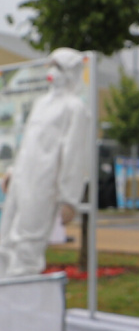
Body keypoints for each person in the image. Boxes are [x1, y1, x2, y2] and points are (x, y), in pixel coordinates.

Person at [0, 48, 91, 279]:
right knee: (5, 237)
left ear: (70, 72)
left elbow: (73, 154)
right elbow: (28, 143)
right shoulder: (41, 103)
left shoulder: (74, 107)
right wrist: (13, 172)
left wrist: (69, 198)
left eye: (58, 67)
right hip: (22, 178)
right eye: (50, 66)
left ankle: (22, 290)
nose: (52, 72)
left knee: (28, 241)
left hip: (44, 183)